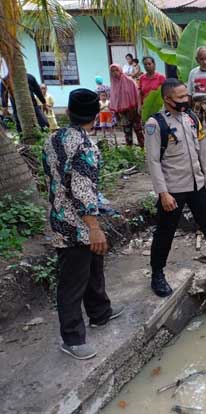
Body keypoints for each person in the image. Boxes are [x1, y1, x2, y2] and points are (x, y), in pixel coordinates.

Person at [42, 88, 124, 360]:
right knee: (73, 280)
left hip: (60, 215)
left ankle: (100, 312)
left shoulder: (53, 138)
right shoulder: (85, 146)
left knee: (92, 267)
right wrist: (93, 227)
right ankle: (73, 338)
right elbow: (81, 188)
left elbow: (53, 180)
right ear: (95, 114)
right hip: (77, 224)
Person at [145, 78, 206, 297]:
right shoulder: (156, 125)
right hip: (172, 188)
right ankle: (157, 273)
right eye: (180, 97)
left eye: (186, 95)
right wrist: (163, 192)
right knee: (165, 232)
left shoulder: (191, 118)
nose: (185, 100)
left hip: (196, 184)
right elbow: (153, 162)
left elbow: (203, 147)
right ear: (167, 99)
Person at [109, 64, 144, 147]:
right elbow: (114, 99)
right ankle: (129, 151)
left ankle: (143, 149)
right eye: (112, 71)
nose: (115, 73)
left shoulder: (129, 81)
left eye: (116, 70)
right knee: (127, 132)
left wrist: (137, 108)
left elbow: (136, 94)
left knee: (138, 130)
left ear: (120, 70)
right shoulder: (113, 84)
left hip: (133, 111)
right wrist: (116, 113)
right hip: (122, 113)